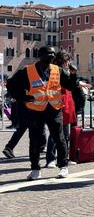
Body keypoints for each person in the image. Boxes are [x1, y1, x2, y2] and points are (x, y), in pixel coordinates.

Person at [5, 46, 77, 180]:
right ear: (41, 55)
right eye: (49, 53)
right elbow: (11, 84)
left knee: (60, 138)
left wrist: (73, 75)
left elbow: (70, 86)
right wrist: (22, 97)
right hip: (35, 110)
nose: (52, 56)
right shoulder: (27, 70)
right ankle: (35, 168)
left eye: (53, 54)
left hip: (54, 109)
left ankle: (63, 166)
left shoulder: (58, 70)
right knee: (35, 140)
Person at [45, 50, 78, 166]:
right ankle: (51, 158)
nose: (68, 63)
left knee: (65, 134)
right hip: (58, 101)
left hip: (67, 102)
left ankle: (63, 157)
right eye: (67, 61)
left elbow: (73, 85)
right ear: (63, 61)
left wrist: (74, 74)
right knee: (55, 133)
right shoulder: (55, 71)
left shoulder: (65, 71)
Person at [3, 95, 29, 159]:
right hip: (29, 106)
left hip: (22, 106)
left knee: (20, 129)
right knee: (36, 130)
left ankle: (9, 147)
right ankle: (40, 148)